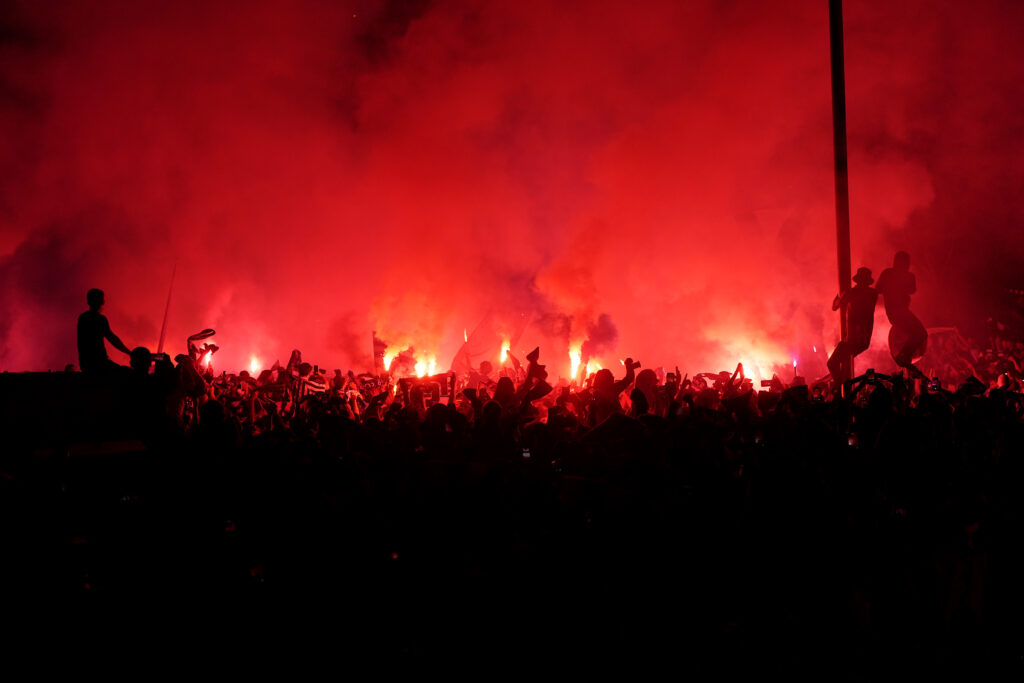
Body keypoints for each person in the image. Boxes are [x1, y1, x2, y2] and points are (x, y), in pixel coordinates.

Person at [876, 251, 928, 376]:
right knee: (921, 333)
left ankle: (906, 356)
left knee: (913, 334)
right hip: (901, 312)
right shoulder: (907, 276)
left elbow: (878, 289)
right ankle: (903, 356)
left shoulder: (887, 273)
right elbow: (912, 289)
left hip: (893, 313)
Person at [828, 267, 878, 387]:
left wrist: (839, 297)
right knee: (845, 365)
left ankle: (839, 385)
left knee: (832, 363)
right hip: (864, 340)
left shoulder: (852, 293)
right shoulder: (872, 294)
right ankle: (844, 385)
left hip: (852, 340)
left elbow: (835, 307)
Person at [77, 288, 131, 374]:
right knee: (126, 373)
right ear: (101, 301)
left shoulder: (83, 317)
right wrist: (128, 352)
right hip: (100, 363)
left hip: (86, 364)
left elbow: (81, 342)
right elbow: (112, 338)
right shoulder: (100, 319)